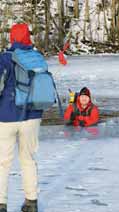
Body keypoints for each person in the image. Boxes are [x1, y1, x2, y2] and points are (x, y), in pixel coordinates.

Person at [0, 23, 43, 212]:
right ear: (28, 37)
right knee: (28, 159)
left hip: (7, 116)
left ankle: (1, 203)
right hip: (33, 116)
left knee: (2, 162)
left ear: (12, 38)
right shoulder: (38, 57)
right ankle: (31, 202)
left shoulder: (5, 58)